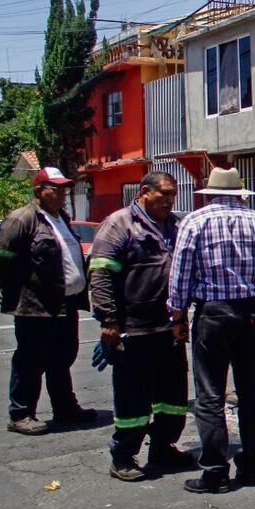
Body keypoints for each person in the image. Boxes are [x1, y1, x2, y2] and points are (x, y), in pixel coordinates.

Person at [168, 167, 255, 493]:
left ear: (212, 192)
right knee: (250, 392)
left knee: (209, 396)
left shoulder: (195, 221)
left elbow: (180, 276)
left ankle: (215, 472)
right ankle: (250, 467)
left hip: (212, 316)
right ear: (239, 193)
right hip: (249, 314)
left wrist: (177, 316)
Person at [88, 172, 195, 481]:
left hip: (169, 328)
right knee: (133, 398)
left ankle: (163, 447)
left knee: (173, 396)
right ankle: (123, 455)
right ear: (143, 192)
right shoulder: (119, 224)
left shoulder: (174, 225)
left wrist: (182, 316)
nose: (169, 201)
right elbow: (101, 275)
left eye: (173, 195)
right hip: (132, 330)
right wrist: (108, 320)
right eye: (164, 195)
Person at [0, 166, 97, 435]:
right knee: (30, 360)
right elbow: (0, 263)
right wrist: (17, 290)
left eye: (65, 188)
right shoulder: (22, 219)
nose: (63, 193)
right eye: (56, 188)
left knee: (62, 358)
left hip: (66, 304)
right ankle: (21, 413)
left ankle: (65, 408)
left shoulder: (60, 217)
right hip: (35, 306)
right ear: (39, 191)